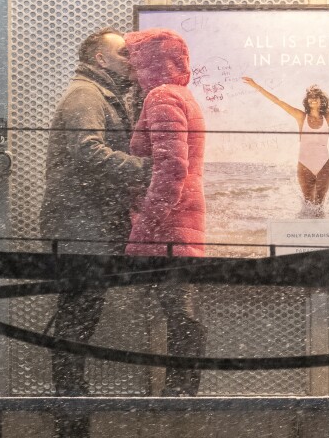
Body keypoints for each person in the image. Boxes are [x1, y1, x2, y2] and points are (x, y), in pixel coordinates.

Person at [39, 27, 152, 437]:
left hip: (87, 225)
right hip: (79, 227)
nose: (132, 61)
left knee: (79, 318)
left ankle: (72, 411)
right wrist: (147, 170)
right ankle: (71, 416)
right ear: (100, 59)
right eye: (124, 54)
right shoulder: (86, 96)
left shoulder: (101, 95)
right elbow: (87, 151)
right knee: (77, 319)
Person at [124, 28, 207, 396]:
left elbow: (171, 167)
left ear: (150, 61)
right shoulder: (180, 95)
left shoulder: (161, 97)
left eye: (134, 58)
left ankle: (180, 392)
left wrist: (147, 222)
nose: (130, 66)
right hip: (182, 216)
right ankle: (181, 388)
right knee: (178, 305)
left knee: (178, 308)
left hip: (170, 222)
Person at [242, 78, 329, 215]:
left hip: (324, 164)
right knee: (308, 204)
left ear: (321, 101)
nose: (313, 99)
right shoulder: (301, 117)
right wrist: (256, 86)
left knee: (319, 205)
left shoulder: (328, 118)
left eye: (316, 97)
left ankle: (321, 232)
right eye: (310, 97)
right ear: (307, 101)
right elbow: (278, 102)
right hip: (304, 164)